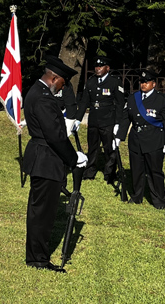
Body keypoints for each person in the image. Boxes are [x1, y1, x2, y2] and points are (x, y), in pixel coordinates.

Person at [23, 56, 87, 272]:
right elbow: (55, 136)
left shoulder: (37, 92)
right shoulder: (43, 98)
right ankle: (38, 258)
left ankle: (36, 255)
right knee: (42, 213)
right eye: (63, 83)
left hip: (43, 157)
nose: (63, 88)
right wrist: (74, 158)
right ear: (54, 78)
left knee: (40, 211)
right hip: (46, 160)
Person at [114, 69, 165, 209]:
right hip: (136, 139)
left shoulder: (162, 99)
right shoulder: (133, 98)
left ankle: (158, 200)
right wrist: (119, 136)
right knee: (136, 170)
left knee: (155, 172)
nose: (143, 84)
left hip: (154, 139)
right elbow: (126, 118)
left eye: (146, 82)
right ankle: (137, 197)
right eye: (141, 82)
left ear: (153, 84)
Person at [75, 55, 125, 182]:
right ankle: (90, 171)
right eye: (96, 66)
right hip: (94, 120)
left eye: (101, 66)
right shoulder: (91, 82)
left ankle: (110, 173)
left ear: (107, 68)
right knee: (92, 147)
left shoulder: (114, 82)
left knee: (109, 148)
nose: (98, 68)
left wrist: (118, 123)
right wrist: (78, 119)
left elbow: (120, 104)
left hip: (108, 120)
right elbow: (84, 102)